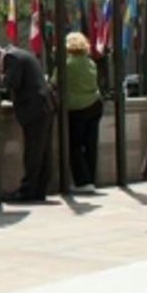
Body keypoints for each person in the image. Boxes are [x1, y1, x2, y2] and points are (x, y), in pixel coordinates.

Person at [0, 47, 54, 202]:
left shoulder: (11, 57)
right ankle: (39, 189)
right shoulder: (22, 54)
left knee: (34, 151)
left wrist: (0, 76)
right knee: (43, 151)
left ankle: (28, 191)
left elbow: (13, 82)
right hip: (44, 106)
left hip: (33, 109)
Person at [57, 32, 102, 193]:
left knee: (74, 145)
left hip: (76, 108)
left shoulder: (67, 64)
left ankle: (82, 181)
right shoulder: (90, 63)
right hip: (94, 104)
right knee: (90, 145)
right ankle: (90, 180)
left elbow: (55, 82)